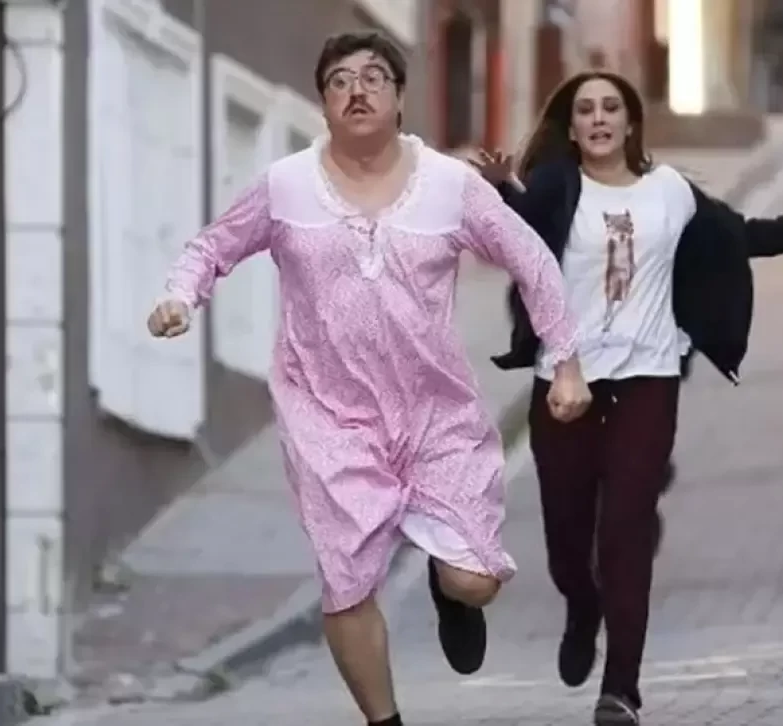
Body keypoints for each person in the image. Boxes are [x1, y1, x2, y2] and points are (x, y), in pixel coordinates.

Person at [146, 32, 591, 726]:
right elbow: (212, 247)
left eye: (374, 76)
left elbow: (531, 260)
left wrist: (565, 362)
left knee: (474, 581)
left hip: (435, 414)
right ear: (324, 103)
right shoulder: (286, 185)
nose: (357, 89)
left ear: (400, 97)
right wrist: (180, 295)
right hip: (328, 417)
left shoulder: (449, 185)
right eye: (340, 80)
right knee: (348, 582)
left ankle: (449, 589)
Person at [470, 70, 783, 726]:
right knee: (567, 546)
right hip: (566, 383)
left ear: (631, 122)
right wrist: (503, 190)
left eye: (611, 107)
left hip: (648, 381)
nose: (599, 118)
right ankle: (582, 607)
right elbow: (517, 242)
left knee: (626, 532)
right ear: (573, 126)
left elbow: (745, 234)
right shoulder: (556, 186)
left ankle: (622, 689)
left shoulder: (670, 192)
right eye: (586, 110)